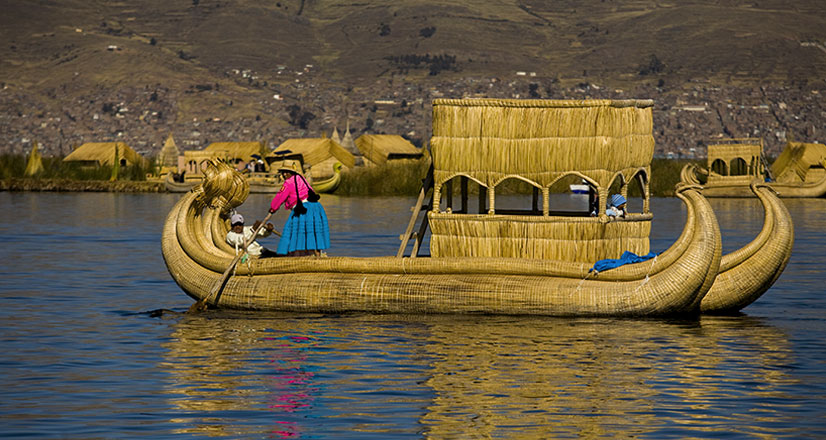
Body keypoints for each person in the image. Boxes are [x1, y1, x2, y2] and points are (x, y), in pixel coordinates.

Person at [269, 160, 330, 257]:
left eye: (286, 172)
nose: (284, 175)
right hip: (315, 208)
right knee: (311, 232)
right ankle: (315, 255)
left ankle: (299, 256)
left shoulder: (288, 183)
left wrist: (273, 208)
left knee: (295, 232)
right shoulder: (301, 178)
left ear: (291, 172)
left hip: (304, 210)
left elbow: (280, 197)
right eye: (283, 172)